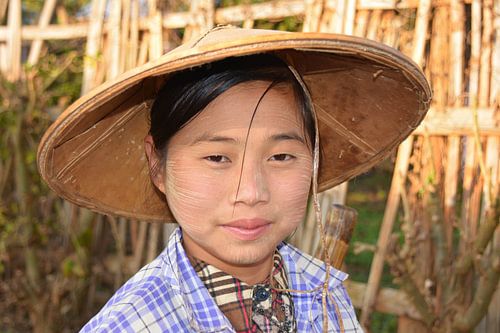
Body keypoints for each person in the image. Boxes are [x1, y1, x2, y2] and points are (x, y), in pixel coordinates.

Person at [37, 26, 431, 332]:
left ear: (312, 160)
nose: (251, 193)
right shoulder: (134, 322)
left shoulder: (322, 291)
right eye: (216, 157)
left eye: (280, 156)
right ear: (157, 165)